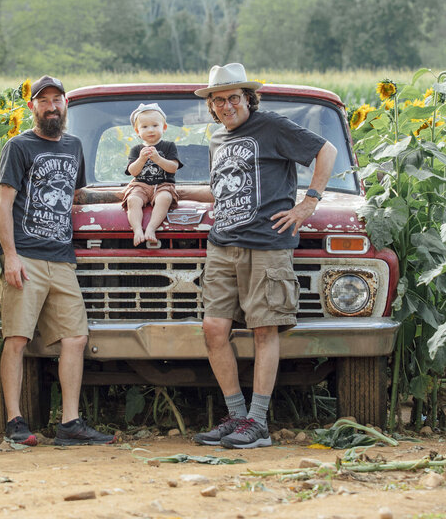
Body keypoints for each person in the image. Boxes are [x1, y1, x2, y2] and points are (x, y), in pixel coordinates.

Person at [191, 63, 337, 449]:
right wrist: (172, 191)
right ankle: (236, 417)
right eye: (218, 100)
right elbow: (221, 190)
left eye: (233, 98)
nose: (226, 106)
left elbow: (327, 150)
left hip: (267, 243)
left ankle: (257, 423)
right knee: (213, 329)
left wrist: (309, 203)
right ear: (212, 106)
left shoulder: (272, 126)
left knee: (264, 329)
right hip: (222, 243)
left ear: (248, 99)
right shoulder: (217, 140)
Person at [0, 75, 114, 447]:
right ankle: (15, 421)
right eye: (42, 100)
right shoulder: (19, 146)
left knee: (76, 338)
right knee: (16, 338)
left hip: (62, 258)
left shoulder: (75, 146)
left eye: (57, 99)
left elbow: (74, 194)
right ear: (32, 107)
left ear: (65, 105)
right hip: (26, 257)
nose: (50, 106)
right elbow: (3, 203)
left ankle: (70, 423)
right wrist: (9, 257)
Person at [122, 103, 183, 246]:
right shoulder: (136, 149)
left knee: (165, 198)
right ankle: (137, 230)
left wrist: (157, 158)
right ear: (137, 131)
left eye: (155, 125)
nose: (150, 130)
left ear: (164, 127)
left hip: (163, 185)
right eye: (144, 127)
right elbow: (133, 171)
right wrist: (142, 159)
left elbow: (173, 168)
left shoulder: (169, 146)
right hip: (140, 185)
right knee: (132, 200)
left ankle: (151, 228)